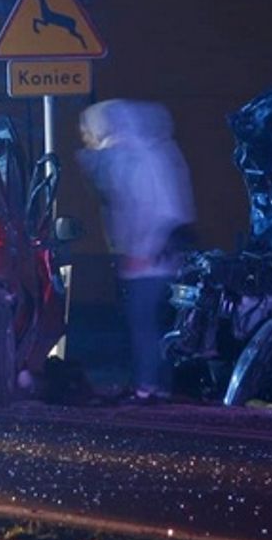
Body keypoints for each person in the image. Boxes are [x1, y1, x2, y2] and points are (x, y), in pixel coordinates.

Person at [76, 99, 197, 402]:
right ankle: (161, 386)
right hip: (161, 256)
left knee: (143, 323)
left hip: (149, 260)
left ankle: (148, 387)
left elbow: (148, 208)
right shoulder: (158, 152)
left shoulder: (133, 158)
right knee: (159, 323)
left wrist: (142, 250)